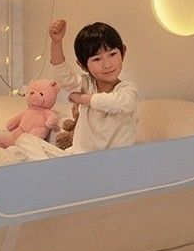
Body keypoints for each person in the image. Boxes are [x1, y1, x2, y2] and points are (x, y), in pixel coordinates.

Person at [48, 19, 139, 153]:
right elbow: (64, 77)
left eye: (112, 54)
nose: (107, 65)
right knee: (26, 141)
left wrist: (81, 99)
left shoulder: (127, 89)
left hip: (117, 160)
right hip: (81, 157)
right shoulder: (87, 84)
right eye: (96, 59)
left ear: (123, 52)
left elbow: (118, 103)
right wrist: (56, 42)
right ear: (83, 65)